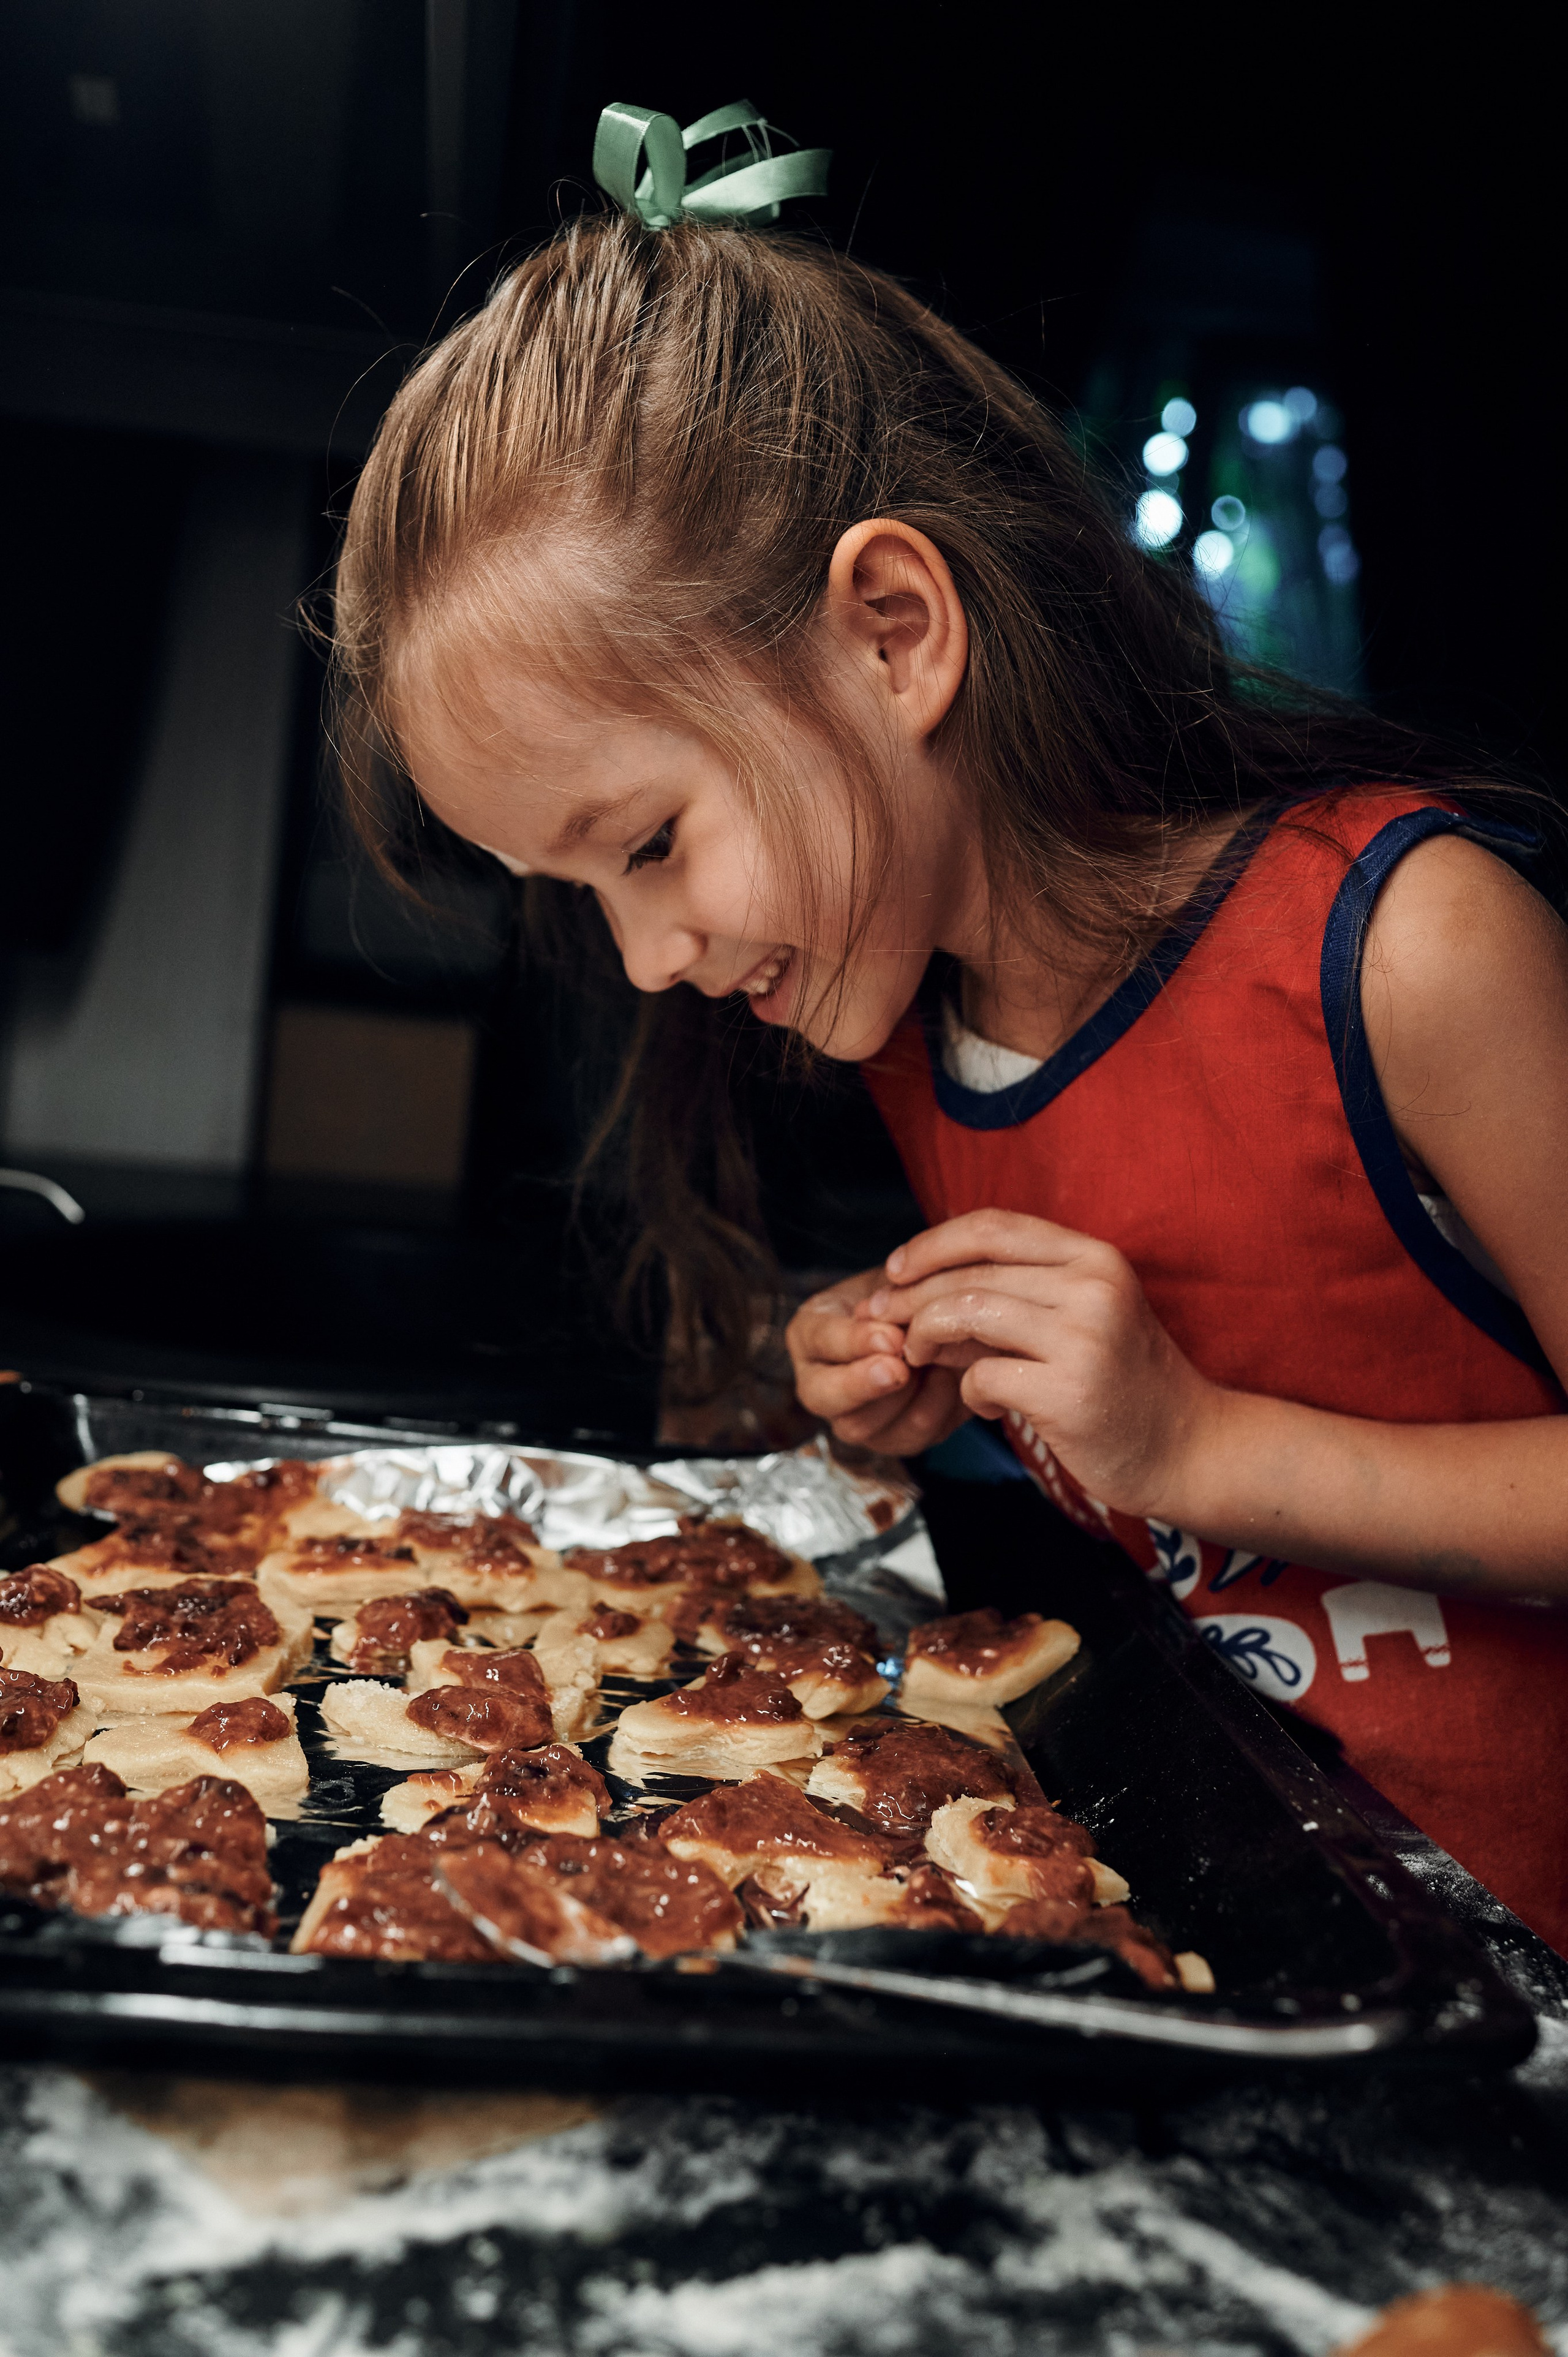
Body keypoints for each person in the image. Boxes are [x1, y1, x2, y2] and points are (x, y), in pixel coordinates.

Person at [330, 111, 1568, 1955]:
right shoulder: (917, 1030)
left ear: (896, 633)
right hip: (1259, 1946)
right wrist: (946, 1401)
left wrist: (1199, 1443)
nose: (649, 958)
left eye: (653, 843)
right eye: (577, 889)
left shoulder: (1410, 950)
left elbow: (1208, 1426)